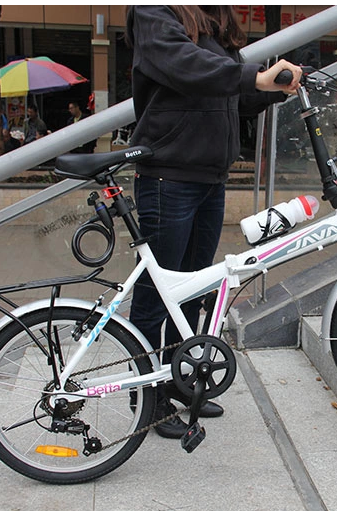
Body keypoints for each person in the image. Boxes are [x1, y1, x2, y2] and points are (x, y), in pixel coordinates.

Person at [125, 5, 301, 439]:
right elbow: (185, 66)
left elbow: (230, 92)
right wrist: (252, 75)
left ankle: (177, 379)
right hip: (167, 174)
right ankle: (147, 398)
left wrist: (277, 88)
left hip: (208, 176)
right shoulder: (153, 12)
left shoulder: (212, 22)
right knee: (156, 293)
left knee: (192, 292)